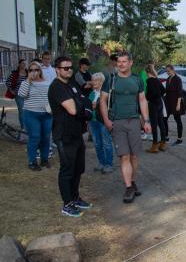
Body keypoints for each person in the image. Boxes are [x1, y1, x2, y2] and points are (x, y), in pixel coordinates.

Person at [100, 52, 152, 204]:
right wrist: (106, 120)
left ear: (130, 63)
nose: (121, 64)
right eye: (119, 62)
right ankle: (128, 187)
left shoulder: (137, 79)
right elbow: (103, 101)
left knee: (134, 155)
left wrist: (146, 121)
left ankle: (133, 181)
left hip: (134, 122)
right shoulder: (111, 79)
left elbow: (142, 100)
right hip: (118, 122)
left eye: (124, 61)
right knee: (124, 155)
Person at [48, 56, 92, 217]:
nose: (68, 70)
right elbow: (74, 109)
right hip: (64, 135)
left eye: (70, 67)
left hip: (77, 132)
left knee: (78, 168)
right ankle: (67, 204)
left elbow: (85, 100)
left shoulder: (71, 84)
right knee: (67, 170)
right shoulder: (57, 87)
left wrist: (83, 105)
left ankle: (75, 197)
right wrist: (84, 107)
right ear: (57, 70)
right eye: (65, 68)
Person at [18, 61, 52, 171]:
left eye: (36, 70)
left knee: (46, 137)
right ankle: (32, 161)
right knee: (35, 137)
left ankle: (44, 159)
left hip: (47, 114)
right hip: (31, 114)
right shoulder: (25, 83)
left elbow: (52, 96)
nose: (34, 72)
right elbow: (22, 95)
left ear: (40, 71)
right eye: (31, 70)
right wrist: (28, 80)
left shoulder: (48, 82)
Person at [88, 72, 114, 173]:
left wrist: (95, 105)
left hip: (103, 121)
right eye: (92, 80)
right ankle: (101, 163)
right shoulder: (92, 93)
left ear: (101, 81)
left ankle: (109, 164)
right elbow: (88, 107)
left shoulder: (106, 94)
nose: (93, 82)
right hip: (92, 121)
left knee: (106, 143)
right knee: (97, 143)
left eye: (95, 80)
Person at [145, 65, 167, 153]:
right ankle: (163, 144)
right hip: (160, 103)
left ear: (148, 73)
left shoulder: (149, 81)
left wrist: (148, 97)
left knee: (154, 125)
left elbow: (152, 93)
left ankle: (154, 146)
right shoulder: (157, 80)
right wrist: (158, 95)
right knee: (161, 123)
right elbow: (164, 90)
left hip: (153, 104)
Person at [163, 64, 185, 146]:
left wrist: (178, 104)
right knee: (164, 118)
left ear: (173, 70)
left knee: (177, 120)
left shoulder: (177, 79)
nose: (167, 72)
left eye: (168, 71)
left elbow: (180, 92)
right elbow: (167, 91)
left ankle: (179, 139)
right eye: (166, 71)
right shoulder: (168, 79)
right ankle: (166, 137)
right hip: (168, 102)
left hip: (176, 102)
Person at [6, 59, 28, 130]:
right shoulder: (15, 73)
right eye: (22, 63)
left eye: (25, 63)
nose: (24, 65)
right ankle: (23, 127)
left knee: (27, 110)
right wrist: (11, 90)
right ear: (19, 64)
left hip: (27, 94)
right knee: (21, 110)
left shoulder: (28, 73)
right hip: (18, 94)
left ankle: (27, 125)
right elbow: (7, 82)